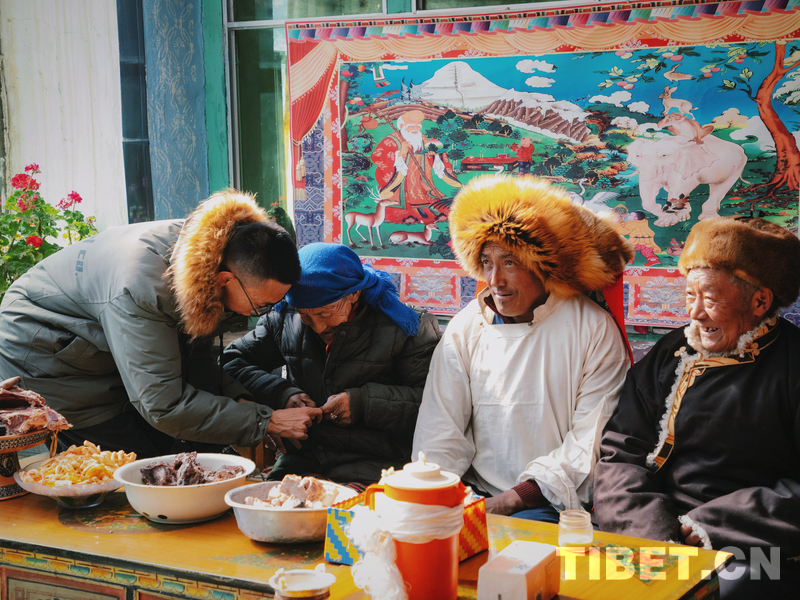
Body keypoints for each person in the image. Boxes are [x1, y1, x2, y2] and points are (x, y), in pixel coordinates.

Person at [0, 190, 321, 458]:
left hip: (104, 351)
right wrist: (267, 422)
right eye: (261, 305)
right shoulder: (143, 289)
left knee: (196, 456)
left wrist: (242, 402)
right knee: (138, 469)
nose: (262, 313)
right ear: (226, 280)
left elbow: (194, 358)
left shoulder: (211, 256)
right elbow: (163, 406)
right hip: (49, 356)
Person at [594, 217, 800, 598]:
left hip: (748, 544)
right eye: (690, 295)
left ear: (759, 301)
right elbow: (620, 451)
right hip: (650, 531)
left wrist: (709, 526)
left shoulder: (792, 365)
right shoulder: (669, 354)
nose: (695, 313)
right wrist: (654, 535)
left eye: (709, 297)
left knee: (726, 590)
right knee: (579, 576)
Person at [412, 174, 632, 522]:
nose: (495, 280)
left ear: (542, 266)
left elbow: (590, 439)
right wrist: (434, 495)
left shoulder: (592, 328)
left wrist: (514, 499)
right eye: (487, 262)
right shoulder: (466, 328)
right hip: (474, 495)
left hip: (548, 501)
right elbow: (440, 427)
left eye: (510, 262)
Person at [223, 242, 441, 484]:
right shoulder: (285, 317)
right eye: (306, 316)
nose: (318, 327)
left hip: (380, 464)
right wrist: (282, 394)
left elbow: (434, 403)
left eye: (325, 314)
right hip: (304, 459)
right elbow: (232, 362)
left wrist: (363, 403)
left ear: (354, 294)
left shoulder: (407, 327)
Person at [371, 108, 462, 223]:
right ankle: (416, 210)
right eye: (411, 126)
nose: (415, 129)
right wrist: (400, 153)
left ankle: (426, 207)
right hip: (403, 179)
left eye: (418, 126)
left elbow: (430, 154)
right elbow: (377, 156)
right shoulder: (392, 139)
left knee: (427, 194)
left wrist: (434, 155)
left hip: (421, 176)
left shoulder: (422, 138)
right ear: (402, 126)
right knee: (403, 202)